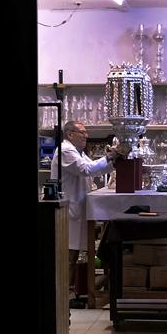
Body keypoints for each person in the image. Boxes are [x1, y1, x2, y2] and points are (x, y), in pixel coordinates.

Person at [50, 120, 127, 305]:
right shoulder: (65, 151)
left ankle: (72, 291)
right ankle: (64, 295)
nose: (86, 135)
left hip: (76, 208)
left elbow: (92, 168)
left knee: (74, 253)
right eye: (82, 132)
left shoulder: (77, 152)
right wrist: (109, 157)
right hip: (68, 210)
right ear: (70, 134)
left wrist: (113, 160)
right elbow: (86, 170)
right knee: (69, 254)